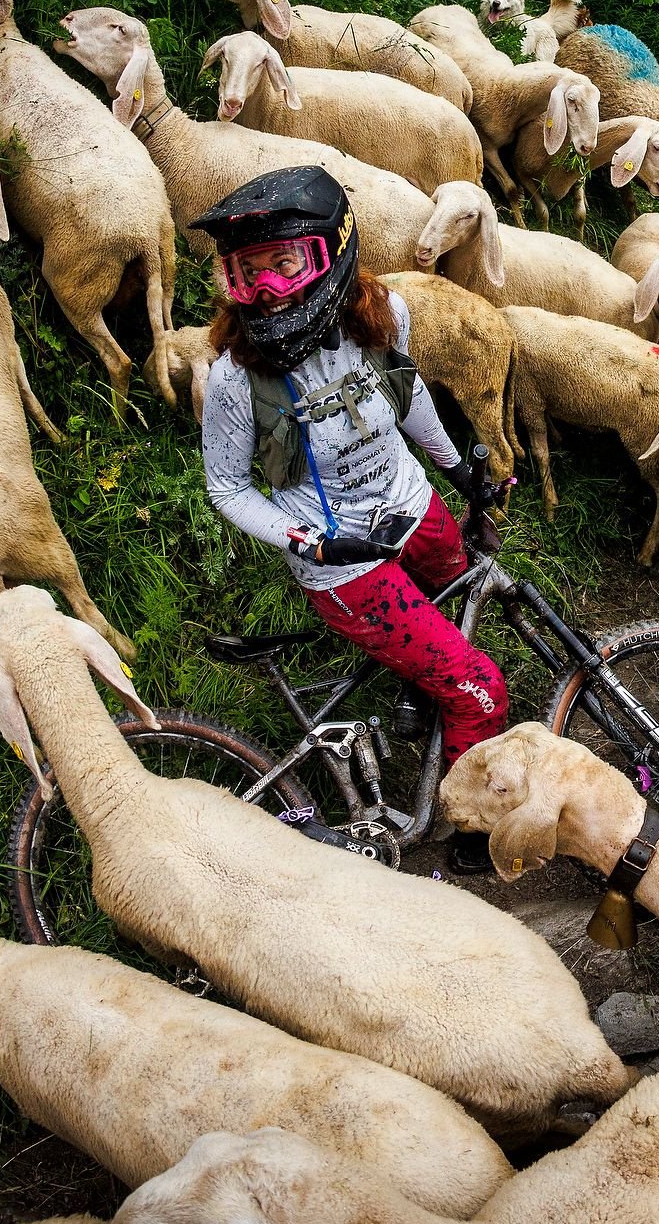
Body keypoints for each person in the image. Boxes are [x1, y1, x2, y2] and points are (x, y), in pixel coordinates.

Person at [197, 166, 508, 874]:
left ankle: (417, 694)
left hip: (413, 506)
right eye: (248, 274)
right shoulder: (233, 377)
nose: (268, 289)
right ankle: (467, 835)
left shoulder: (383, 314)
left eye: (284, 265)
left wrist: (456, 467)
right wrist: (312, 541)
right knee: (481, 689)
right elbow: (225, 488)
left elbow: (406, 394)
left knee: (456, 605)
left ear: (334, 253)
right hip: (348, 564)